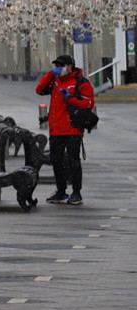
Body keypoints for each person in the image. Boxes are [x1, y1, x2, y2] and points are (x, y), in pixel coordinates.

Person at [36, 54, 94, 205]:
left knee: (73, 161)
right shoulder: (55, 81)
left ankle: (76, 192)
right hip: (56, 130)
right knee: (57, 161)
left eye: (62, 66)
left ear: (70, 66)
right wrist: (50, 74)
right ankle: (61, 191)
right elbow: (39, 89)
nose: (59, 69)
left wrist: (71, 99)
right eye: (57, 66)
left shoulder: (81, 82)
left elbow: (88, 103)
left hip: (72, 129)